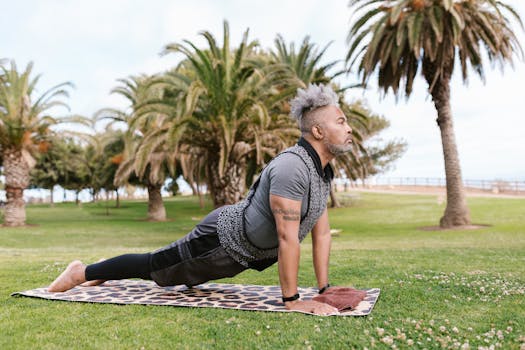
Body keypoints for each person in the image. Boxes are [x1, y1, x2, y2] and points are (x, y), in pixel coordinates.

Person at [48, 84, 353, 316]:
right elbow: (288, 238)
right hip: (218, 241)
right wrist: (292, 302)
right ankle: (83, 271)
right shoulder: (292, 167)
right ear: (317, 130)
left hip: (241, 254)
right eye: (340, 122)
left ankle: (99, 273)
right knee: (156, 269)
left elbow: (320, 231)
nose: (349, 128)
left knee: (177, 278)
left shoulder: (321, 171)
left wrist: (324, 290)